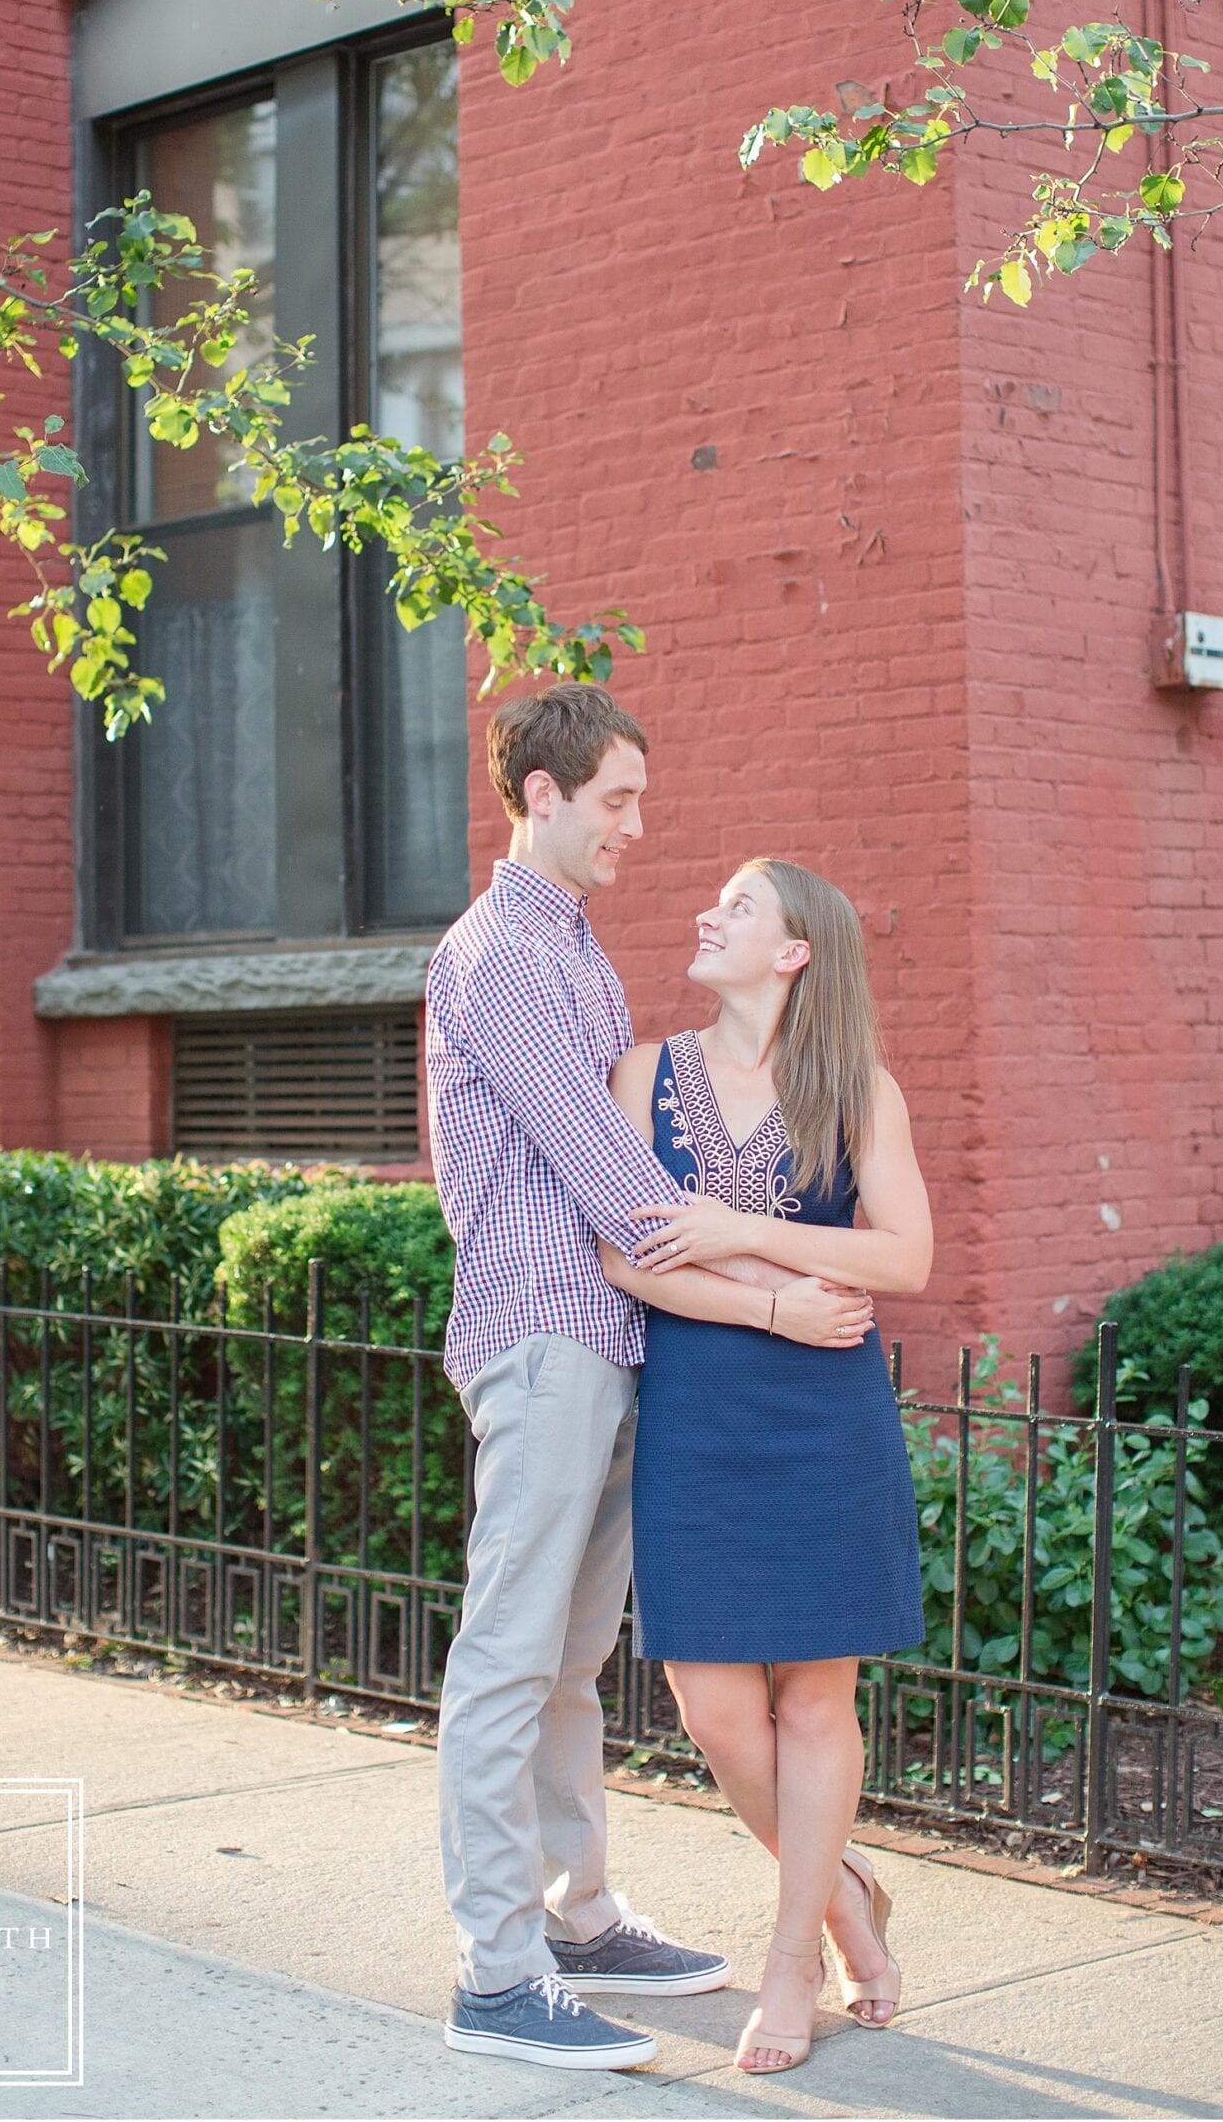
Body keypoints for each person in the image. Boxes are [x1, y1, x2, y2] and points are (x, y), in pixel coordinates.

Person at [424, 692, 877, 2075]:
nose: (638, 825)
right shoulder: (501, 951)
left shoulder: (576, 954)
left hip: (620, 1344)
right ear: (546, 795)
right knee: (509, 1653)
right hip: (547, 1333)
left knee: (571, 1660)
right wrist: (772, 1299)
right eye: (618, 800)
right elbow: (610, 1173)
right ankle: (497, 1975)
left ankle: (580, 1915)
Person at [597, 856, 933, 2077]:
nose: (709, 913)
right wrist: (773, 1304)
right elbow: (628, 1256)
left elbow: (905, 1256)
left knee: (814, 1701)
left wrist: (739, 1230)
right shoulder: (645, 1074)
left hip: (824, 1423)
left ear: (794, 952)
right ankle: (844, 1890)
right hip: (701, 1408)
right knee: (714, 1703)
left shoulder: (855, 1089)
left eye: (739, 907)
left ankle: (796, 1958)